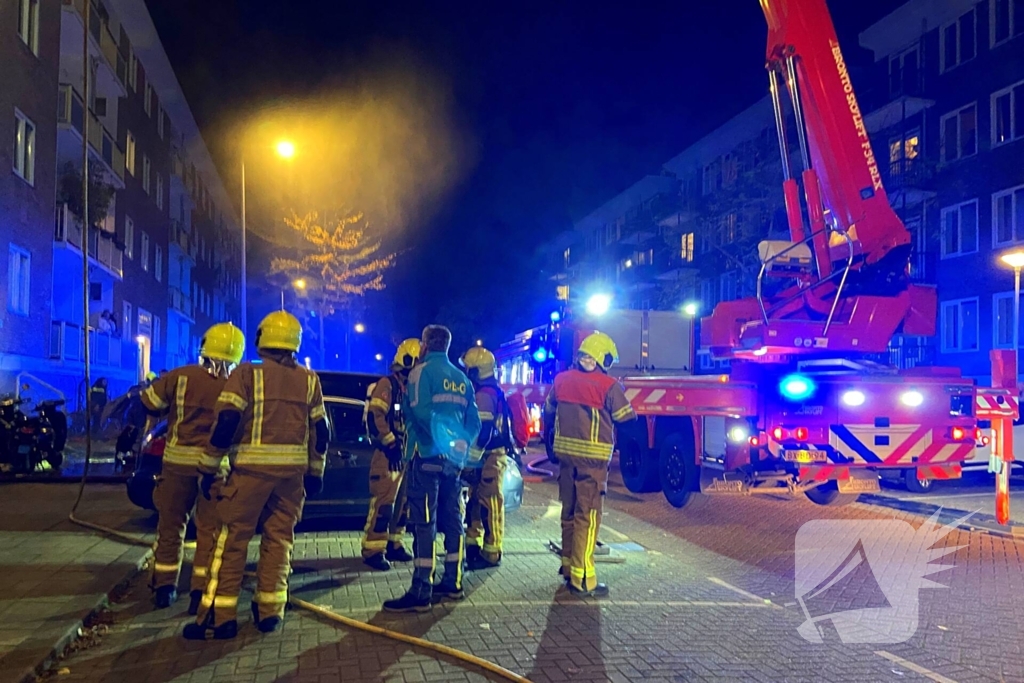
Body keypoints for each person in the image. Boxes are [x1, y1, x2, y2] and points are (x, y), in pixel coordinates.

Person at [184, 311, 328, 640]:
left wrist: (208, 468)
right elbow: (322, 430)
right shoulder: (309, 379)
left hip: (248, 475)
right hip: (291, 479)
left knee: (231, 542)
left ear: (263, 339)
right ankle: (270, 612)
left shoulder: (248, 374)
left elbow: (225, 425)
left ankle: (221, 619)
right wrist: (315, 472)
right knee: (279, 542)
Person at [139, 323, 245, 613]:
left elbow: (148, 402)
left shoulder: (180, 376)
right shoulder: (236, 384)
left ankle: (164, 587)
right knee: (209, 532)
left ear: (204, 347)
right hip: (215, 470)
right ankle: (200, 591)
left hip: (176, 466)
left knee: (171, 526)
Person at [383, 325, 480, 613]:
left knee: (425, 523)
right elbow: (474, 422)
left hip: (425, 455)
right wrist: (459, 442)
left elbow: (421, 413)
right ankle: (453, 582)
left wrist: (443, 438)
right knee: (453, 521)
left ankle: (421, 590)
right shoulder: (462, 379)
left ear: (425, 344)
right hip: (453, 462)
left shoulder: (420, 373)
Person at [544, 332, 635, 598]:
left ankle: (568, 565)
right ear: (602, 357)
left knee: (569, 513)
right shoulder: (608, 386)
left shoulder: (561, 380)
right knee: (589, 516)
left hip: (566, 460)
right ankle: (583, 578)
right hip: (592, 465)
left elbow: (549, 411)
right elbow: (626, 419)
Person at [361, 338, 421, 571]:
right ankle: (373, 550)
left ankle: (394, 544)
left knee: (402, 505)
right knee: (384, 504)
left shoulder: (409, 388)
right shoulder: (387, 385)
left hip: (404, 456)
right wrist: (391, 444)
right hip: (388, 456)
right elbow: (375, 418)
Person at [460, 346, 511, 570]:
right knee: (476, 502)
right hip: (486, 456)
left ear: (476, 371)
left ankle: (491, 552)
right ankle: (473, 544)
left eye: (469, 370)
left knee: (490, 505)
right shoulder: (490, 392)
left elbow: (483, 432)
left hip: (490, 457)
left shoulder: (484, 395)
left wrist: (470, 460)